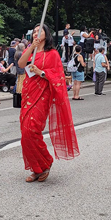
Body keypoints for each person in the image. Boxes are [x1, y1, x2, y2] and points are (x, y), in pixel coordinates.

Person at [17, 23, 79, 182]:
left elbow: (58, 76)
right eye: (35, 31)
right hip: (28, 94)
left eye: (40, 30)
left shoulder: (52, 53)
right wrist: (31, 48)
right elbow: (21, 64)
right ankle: (36, 168)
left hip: (43, 95)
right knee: (25, 133)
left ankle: (46, 162)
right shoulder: (30, 50)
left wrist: (41, 72)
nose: (37, 32)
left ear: (47, 34)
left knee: (32, 130)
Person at [13, 43, 26, 107]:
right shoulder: (21, 54)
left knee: (18, 82)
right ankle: (20, 93)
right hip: (22, 69)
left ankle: (18, 92)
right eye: (23, 47)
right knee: (21, 82)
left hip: (18, 69)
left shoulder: (16, 53)